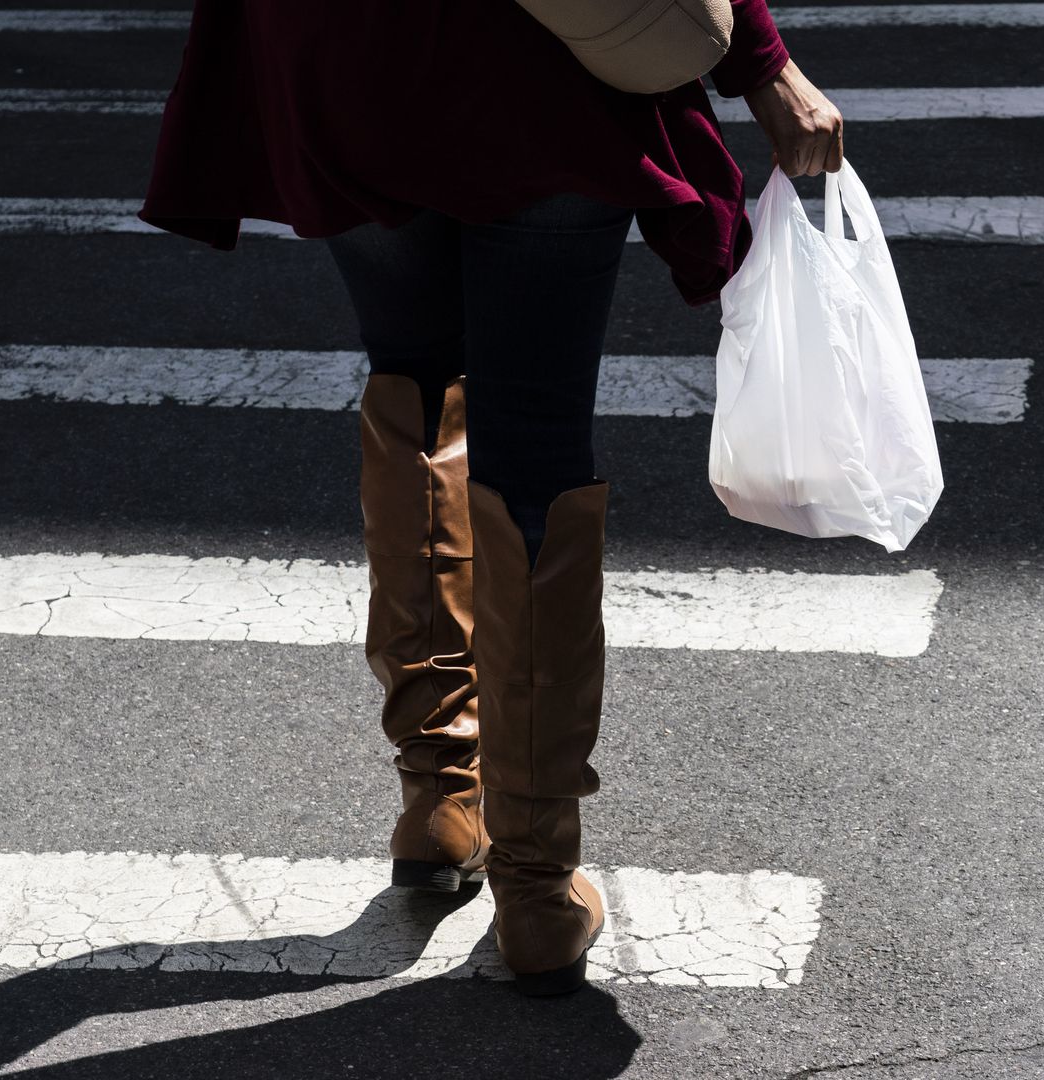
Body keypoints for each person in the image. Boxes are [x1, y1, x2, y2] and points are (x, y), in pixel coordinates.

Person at [137, 0, 844, 995]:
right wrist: (763, 64)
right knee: (536, 443)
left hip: (341, 59)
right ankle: (536, 885)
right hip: (528, 63)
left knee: (415, 378)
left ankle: (437, 797)